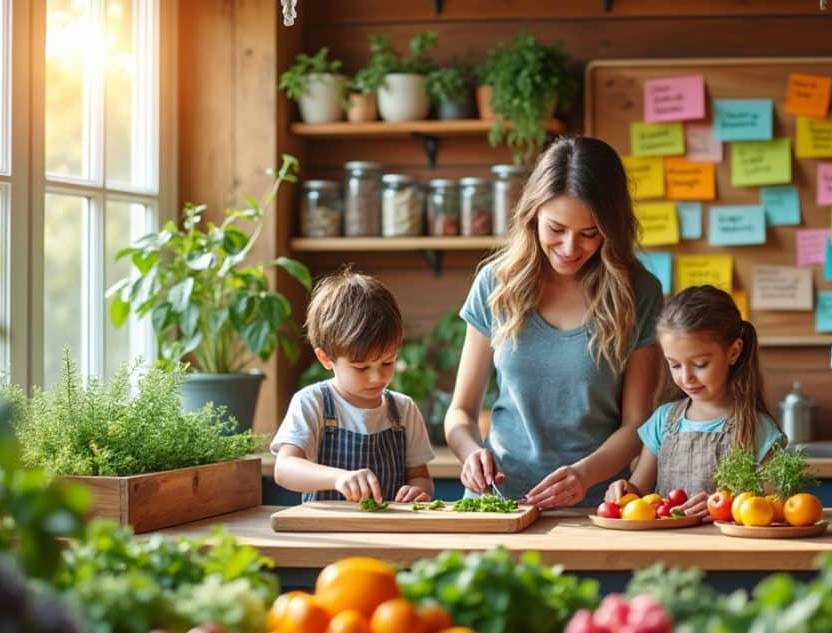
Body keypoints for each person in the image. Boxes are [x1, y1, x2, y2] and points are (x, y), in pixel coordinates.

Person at [446, 136, 663, 509]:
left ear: (610, 229)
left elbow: (637, 428)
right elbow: (461, 412)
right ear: (532, 215)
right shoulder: (496, 284)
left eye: (589, 234)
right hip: (496, 502)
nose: (569, 248)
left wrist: (584, 475)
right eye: (556, 229)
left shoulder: (638, 292)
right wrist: (470, 453)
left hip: (595, 507)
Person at [604, 286, 784, 518]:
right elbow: (640, 491)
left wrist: (723, 507)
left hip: (729, 551)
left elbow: (772, 508)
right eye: (675, 365)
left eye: (700, 364)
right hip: (668, 548)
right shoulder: (663, 420)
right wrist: (623, 491)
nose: (686, 378)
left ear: (733, 352)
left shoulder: (756, 428)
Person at [272, 269, 434, 503]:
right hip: (324, 535)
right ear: (326, 358)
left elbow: (421, 478)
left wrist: (419, 491)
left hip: (389, 534)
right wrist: (338, 478)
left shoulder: (404, 410)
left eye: (388, 362)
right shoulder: (312, 402)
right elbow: (285, 468)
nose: (376, 377)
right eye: (361, 368)